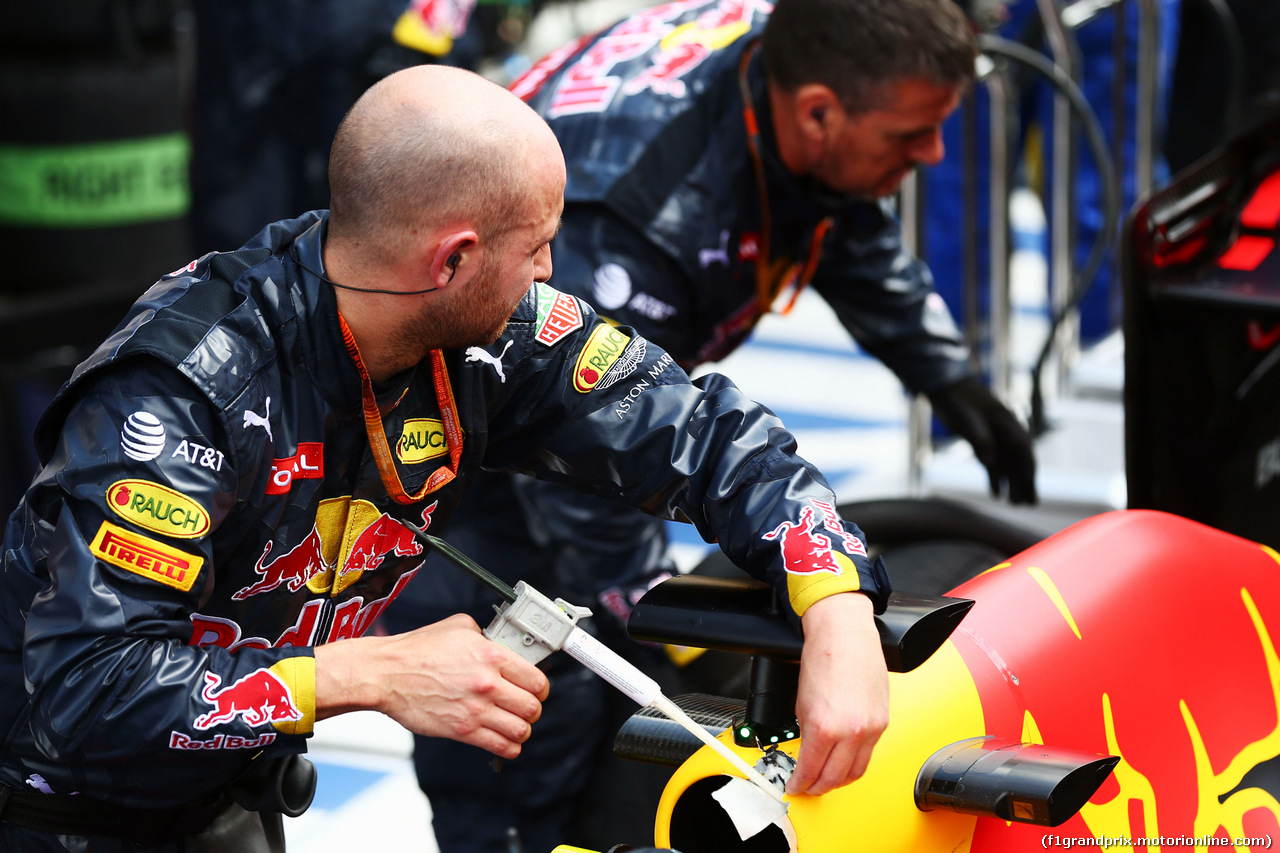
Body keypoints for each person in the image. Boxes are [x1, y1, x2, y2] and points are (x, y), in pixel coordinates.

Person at [0, 64, 892, 852]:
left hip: (227, 797)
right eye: (537, 245)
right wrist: (369, 674)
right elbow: (85, 696)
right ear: (453, 258)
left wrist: (839, 607)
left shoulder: (484, 335)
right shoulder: (185, 393)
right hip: (46, 810)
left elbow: (704, 435)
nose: (550, 273)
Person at [377, 0, 1037, 850]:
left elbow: (833, 195)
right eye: (913, 137)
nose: (931, 155)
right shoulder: (632, 222)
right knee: (537, 750)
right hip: (477, 474)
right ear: (818, 111)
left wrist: (947, 375)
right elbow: (589, 447)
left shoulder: (811, 46)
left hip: (585, 401)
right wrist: (657, 623)